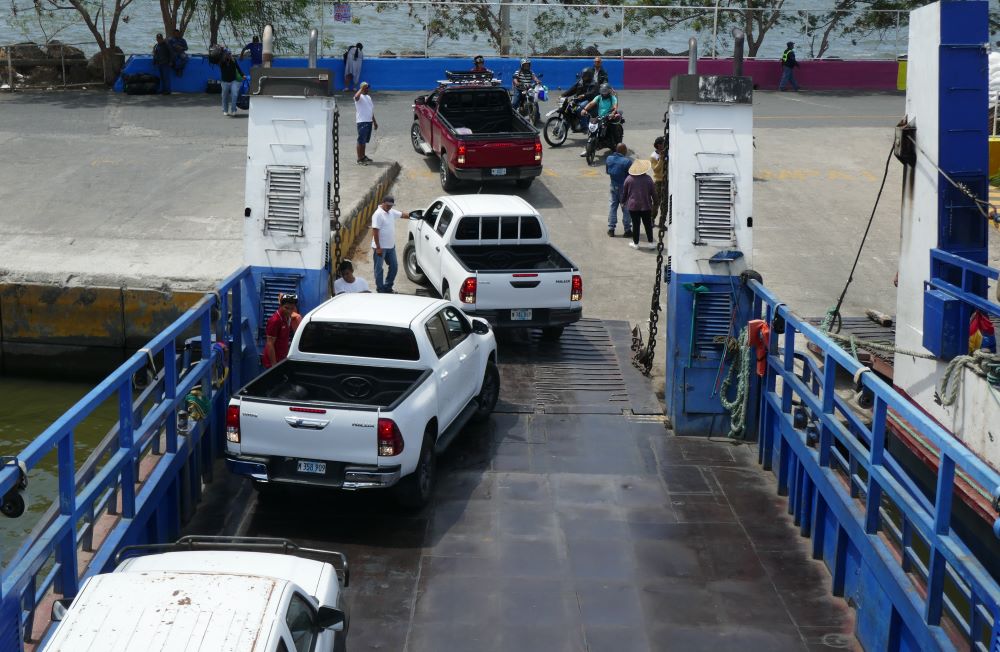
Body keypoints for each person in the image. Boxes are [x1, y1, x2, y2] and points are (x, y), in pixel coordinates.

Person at [371, 196, 410, 294]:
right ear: (383, 203)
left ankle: (388, 287)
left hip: (391, 247)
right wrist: (378, 247)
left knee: (394, 266)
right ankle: (380, 289)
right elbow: (375, 231)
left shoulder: (391, 212)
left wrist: (416, 216)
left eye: (391, 206)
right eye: (388, 205)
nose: (389, 207)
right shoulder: (378, 214)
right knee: (379, 269)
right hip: (380, 247)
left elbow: (403, 215)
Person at [621, 159, 656, 249]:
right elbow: (653, 193)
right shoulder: (648, 179)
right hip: (646, 206)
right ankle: (651, 243)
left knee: (636, 225)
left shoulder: (628, 179)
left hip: (633, 207)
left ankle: (636, 243)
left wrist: (623, 202)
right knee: (648, 225)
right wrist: (656, 202)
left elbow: (624, 193)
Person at [580, 83, 620, 156]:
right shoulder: (598, 97)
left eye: (605, 91)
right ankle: (587, 149)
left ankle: (617, 147)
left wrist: (612, 113)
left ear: (609, 91)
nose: (604, 93)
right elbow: (591, 103)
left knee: (612, 129)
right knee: (592, 130)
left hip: (609, 116)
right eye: (603, 91)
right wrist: (584, 109)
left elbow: (615, 107)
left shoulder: (612, 98)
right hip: (600, 116)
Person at [605, 143, 633, 238]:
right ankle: (627, 230)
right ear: (623, 151)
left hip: (613, 185)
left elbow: (608, 171)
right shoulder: (627, 162)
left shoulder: (609, 159)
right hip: (624, 188)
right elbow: (631, 177)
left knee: (613, 206)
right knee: (625, 208)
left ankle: (611, 229)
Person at [263, 293, 298, 368]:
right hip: (273, 363)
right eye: (286, 308)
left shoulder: (288, 317)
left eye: (292, 308)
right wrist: (274, 365)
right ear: (280, 306)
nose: (289, 311)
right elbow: (270, 344)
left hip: (282, 359)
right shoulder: (275, 321)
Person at [354, 82, 377, 165]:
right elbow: (356, 97)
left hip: (369, 121)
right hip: (362, 121)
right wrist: (361, 89)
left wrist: (374, 122)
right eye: (365, 88)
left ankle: (363, 156)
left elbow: (371, 110)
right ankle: (359, 159)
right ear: (362, 88)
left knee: (364, 141)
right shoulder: (359, 97)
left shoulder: (368, 97)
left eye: (367, 87)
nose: (367, 89)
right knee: (360, 141)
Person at [219, 50, 243, 117]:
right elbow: (220, 59)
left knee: (234, 94)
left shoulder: (233, 60)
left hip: (233, 81)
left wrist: (242, 75)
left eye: (230, 54)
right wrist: (222, 52)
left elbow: (238, 68)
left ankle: (233, 110)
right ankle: (225, 110)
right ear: (224, 55)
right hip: (224, 82)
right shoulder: (222, 62)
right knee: (225, 96)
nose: (229, 55)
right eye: (227, 54)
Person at [650, 136, 667, 224]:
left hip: (666, 180)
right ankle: (652, 218)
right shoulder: (653, 156)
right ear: (658, 145)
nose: (664, 145)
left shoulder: (668, 153)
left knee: (665, 203)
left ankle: (662, 222)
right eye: (663, 144)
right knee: (656, 201)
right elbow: (655, 169)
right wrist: (661, 159)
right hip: (658, 181)